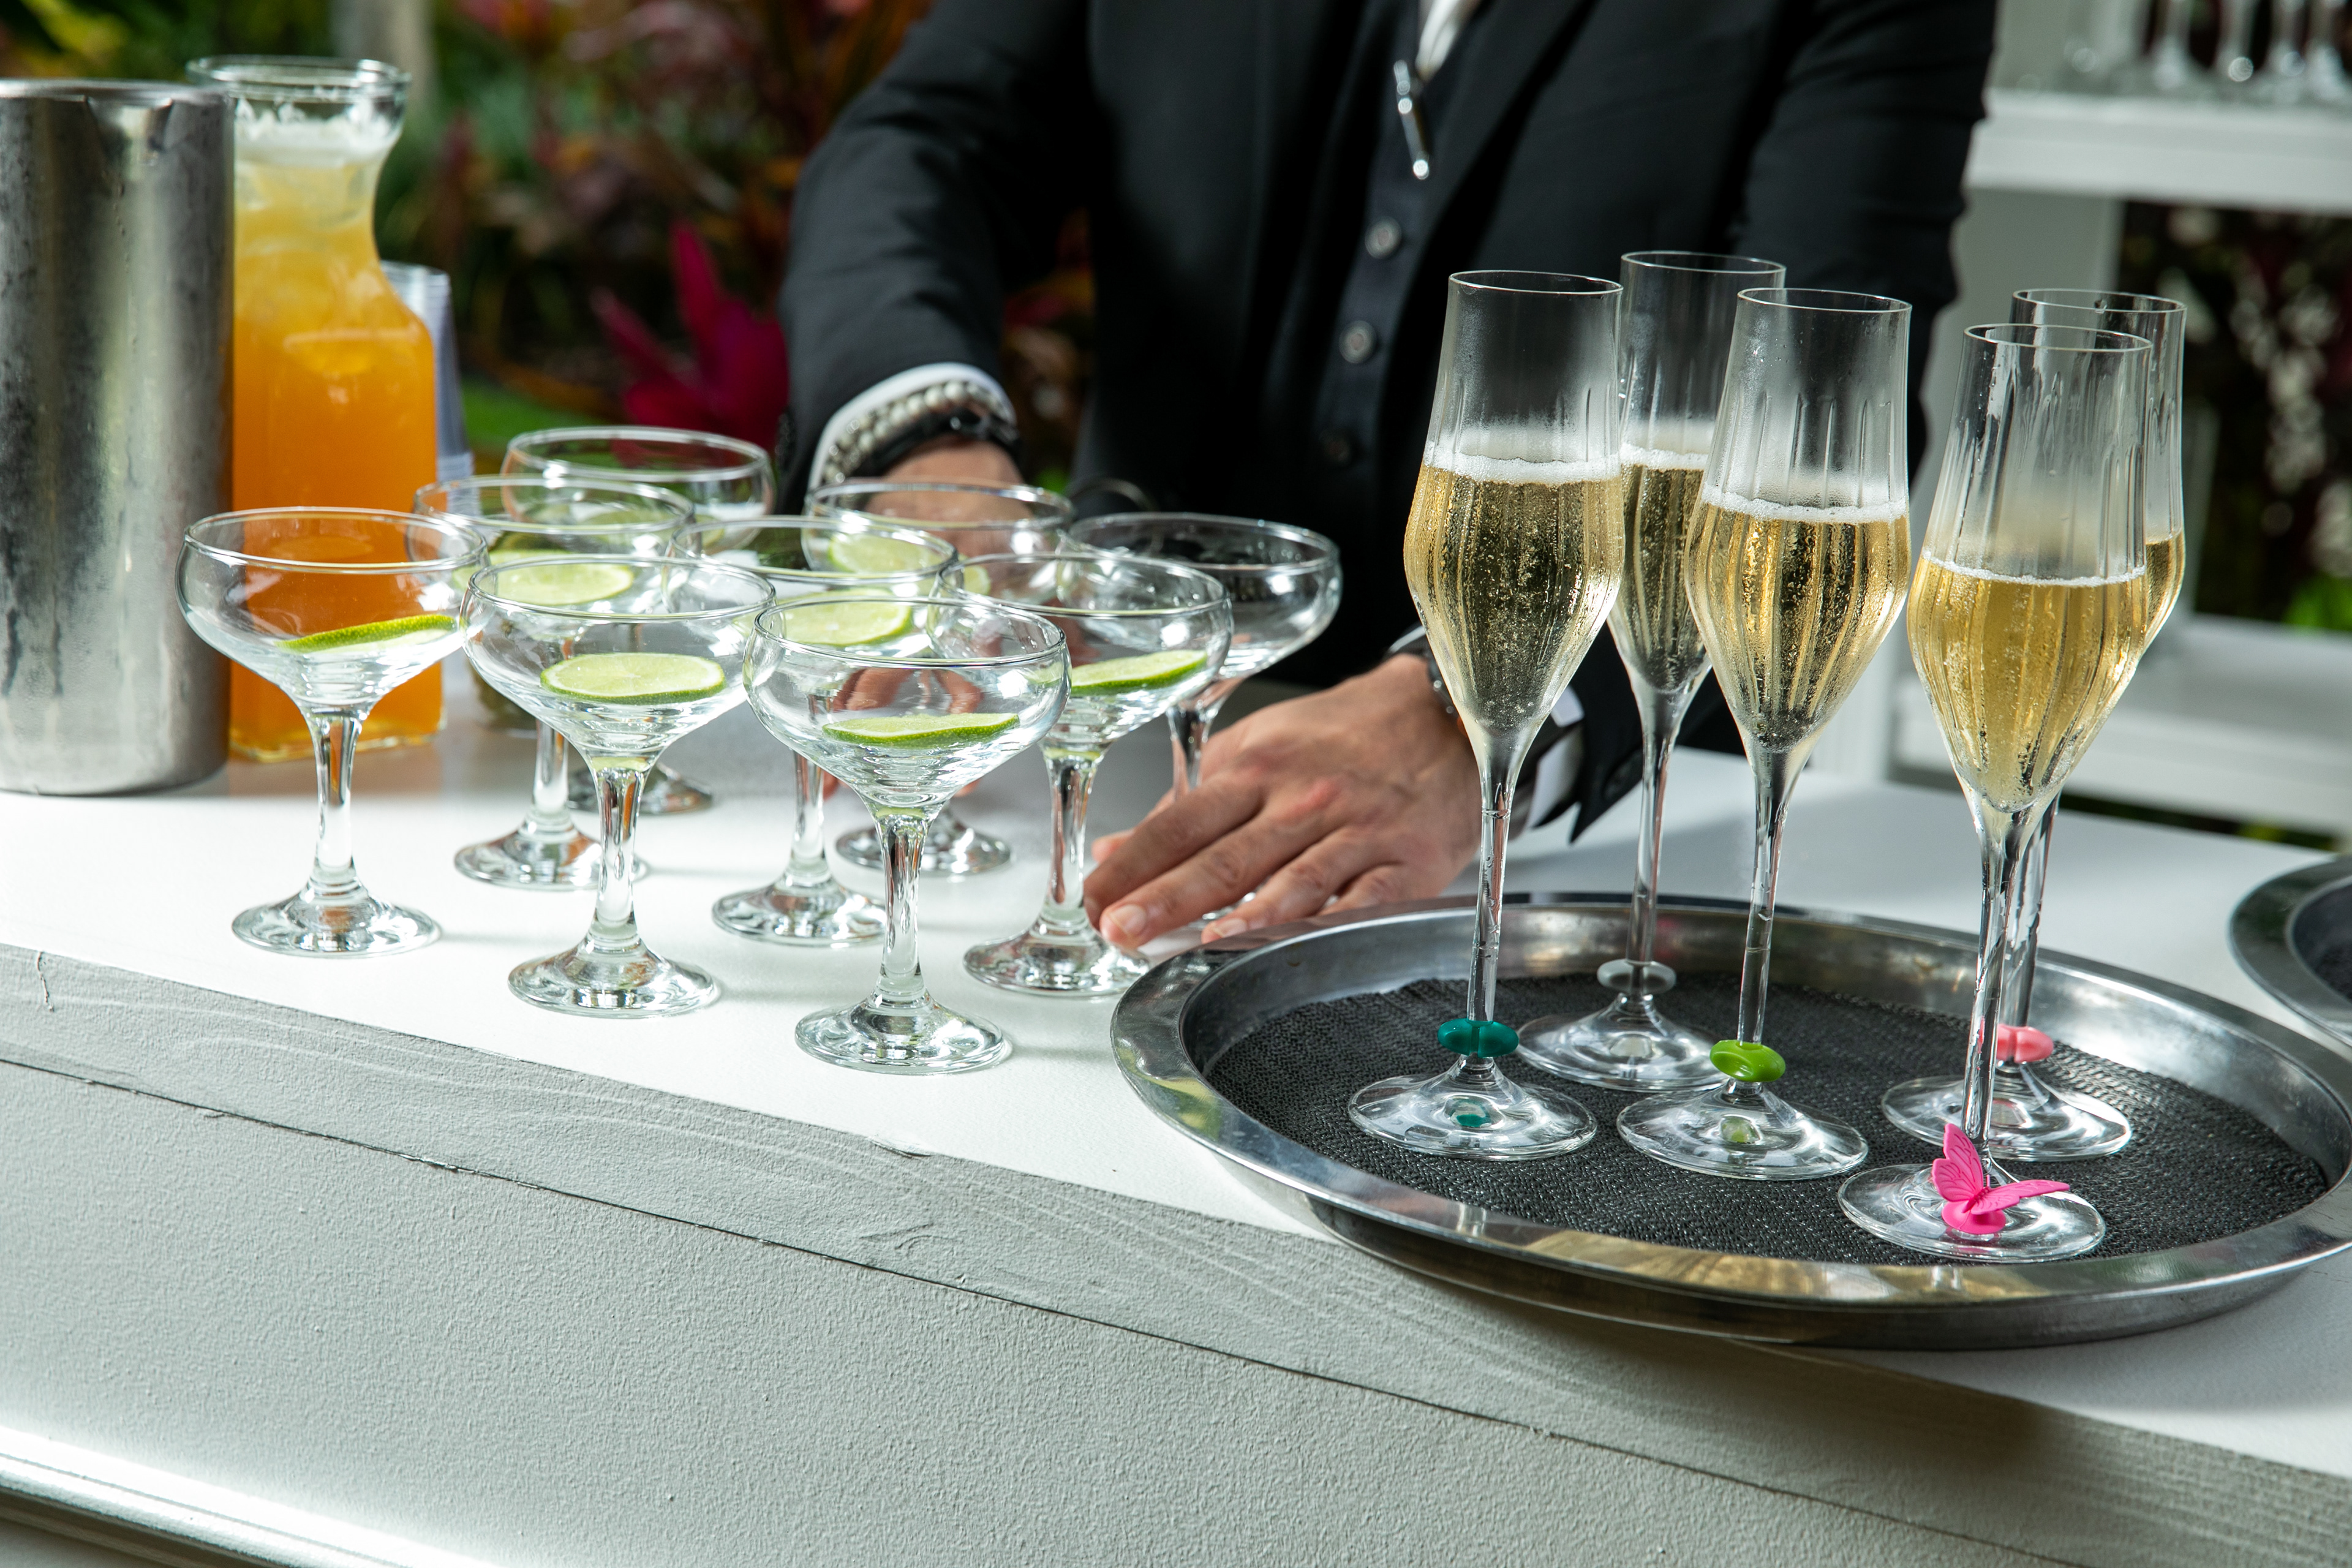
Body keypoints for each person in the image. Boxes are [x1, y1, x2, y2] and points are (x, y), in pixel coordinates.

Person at [780, 0, 1997, 948]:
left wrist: (1473, 715)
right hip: (1119, 745)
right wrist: (925, 446)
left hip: (1587, 876)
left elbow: (1822, 406)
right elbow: (920, 142)